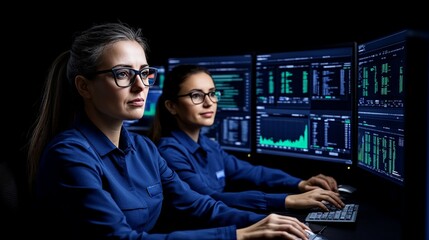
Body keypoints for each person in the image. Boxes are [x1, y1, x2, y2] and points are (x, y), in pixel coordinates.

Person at [26, 22, 312, 240]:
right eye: (123, 74)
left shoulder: (144, 149)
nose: (140, 86)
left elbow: (200, 207)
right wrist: (237, 235)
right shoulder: (69, 155)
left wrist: (268, 221)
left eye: (144, 73)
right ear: (84, 86)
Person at [148, 64, 345, 214]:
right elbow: (209, 199)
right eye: (196, 95)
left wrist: (300, 184)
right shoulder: (169, 153)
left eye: (212, 93)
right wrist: (288, 200)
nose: (209, 103)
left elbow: (253, 172)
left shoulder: (208, 146)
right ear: (172, 106)